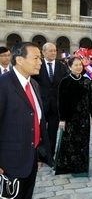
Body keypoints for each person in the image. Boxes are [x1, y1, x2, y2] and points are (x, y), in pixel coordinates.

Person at [0, 42, 53, 199]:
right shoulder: (3, 84)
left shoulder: (34, 84)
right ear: (19, 60)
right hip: (9, 163)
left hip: (30, 161)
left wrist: (38, 155)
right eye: (36, 58)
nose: (40, 62)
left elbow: (37, 122)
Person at [54, 56, 92, 177]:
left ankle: (82, 168)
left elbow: (91, 100)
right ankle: (69, 167)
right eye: (76, 65)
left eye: (80, 65)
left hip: (84, 119)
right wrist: (62, 119)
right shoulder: (65, 82)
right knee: (70, 143)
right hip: (70, 118)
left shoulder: (87, 81)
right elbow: (61, 102)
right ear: (70, 67)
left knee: (83, 143)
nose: (79, 67)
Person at [32, 42, 68, 157]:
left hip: (55, 106)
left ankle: (50, 156)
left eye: (55, 50)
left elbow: (65, 85)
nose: (53, 53)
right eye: (50, 50)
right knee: (40, 132)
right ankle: (39, 155)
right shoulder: (38, 65)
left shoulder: (61, 66)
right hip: (41, 104)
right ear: (43, 52)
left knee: (52, 133)